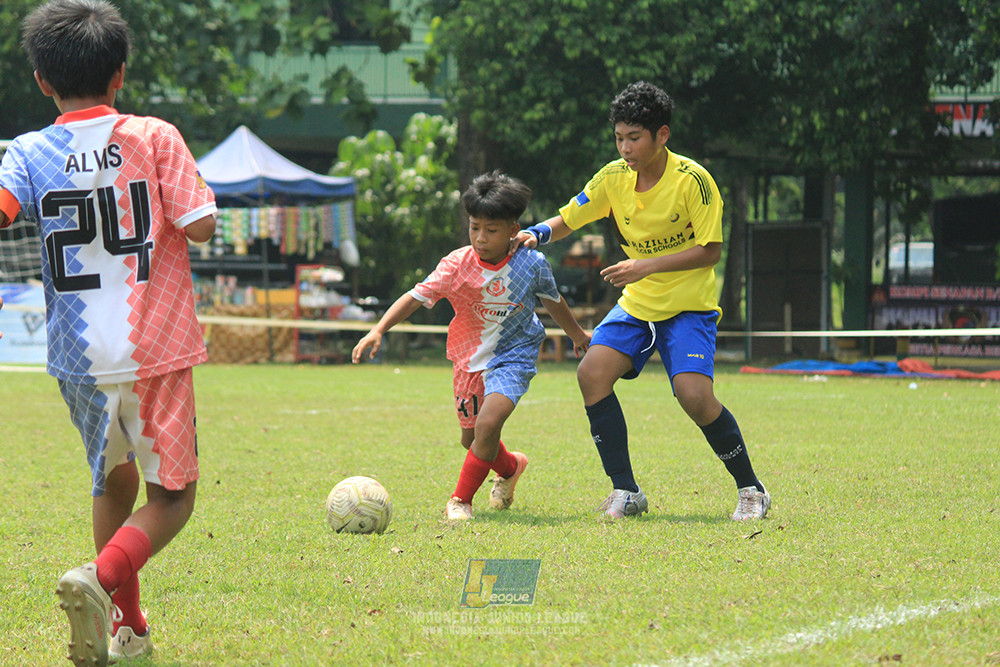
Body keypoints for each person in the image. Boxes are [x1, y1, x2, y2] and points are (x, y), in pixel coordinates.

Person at [0, 1, 217, 663]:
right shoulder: (154, 136)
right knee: (173, 495)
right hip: (156, 346)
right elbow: (203, 224)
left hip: (78, 359)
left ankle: (127, 628)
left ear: (41, 80)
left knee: (112, 482)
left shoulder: (27, 151)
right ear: (120, 73)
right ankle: (102, 576)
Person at [515, 81, 771, 521]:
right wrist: (535, 233)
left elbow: (711, 251)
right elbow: (569, 218)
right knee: (592, 375)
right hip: (638, 305)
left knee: (694, 396)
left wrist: (644, 266)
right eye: (619, 138)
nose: (625, 147)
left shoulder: (694, 181)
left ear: (662, 135)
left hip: (688, 306)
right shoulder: (613, 177)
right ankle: (627, 492)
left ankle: (751, 489)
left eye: (634, 138)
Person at [353, 170, 590, 520]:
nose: (480, 238)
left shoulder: (532, 264)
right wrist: (379, 329)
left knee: (488, 426)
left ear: (513, 229)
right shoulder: (455, 265)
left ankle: (460, 500)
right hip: (468, 359)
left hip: (515, 355)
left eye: (491, 230)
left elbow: (553, 302)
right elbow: (415, 296)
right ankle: (510, 468)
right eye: (474, 227)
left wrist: (578, 336)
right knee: (473, 440)